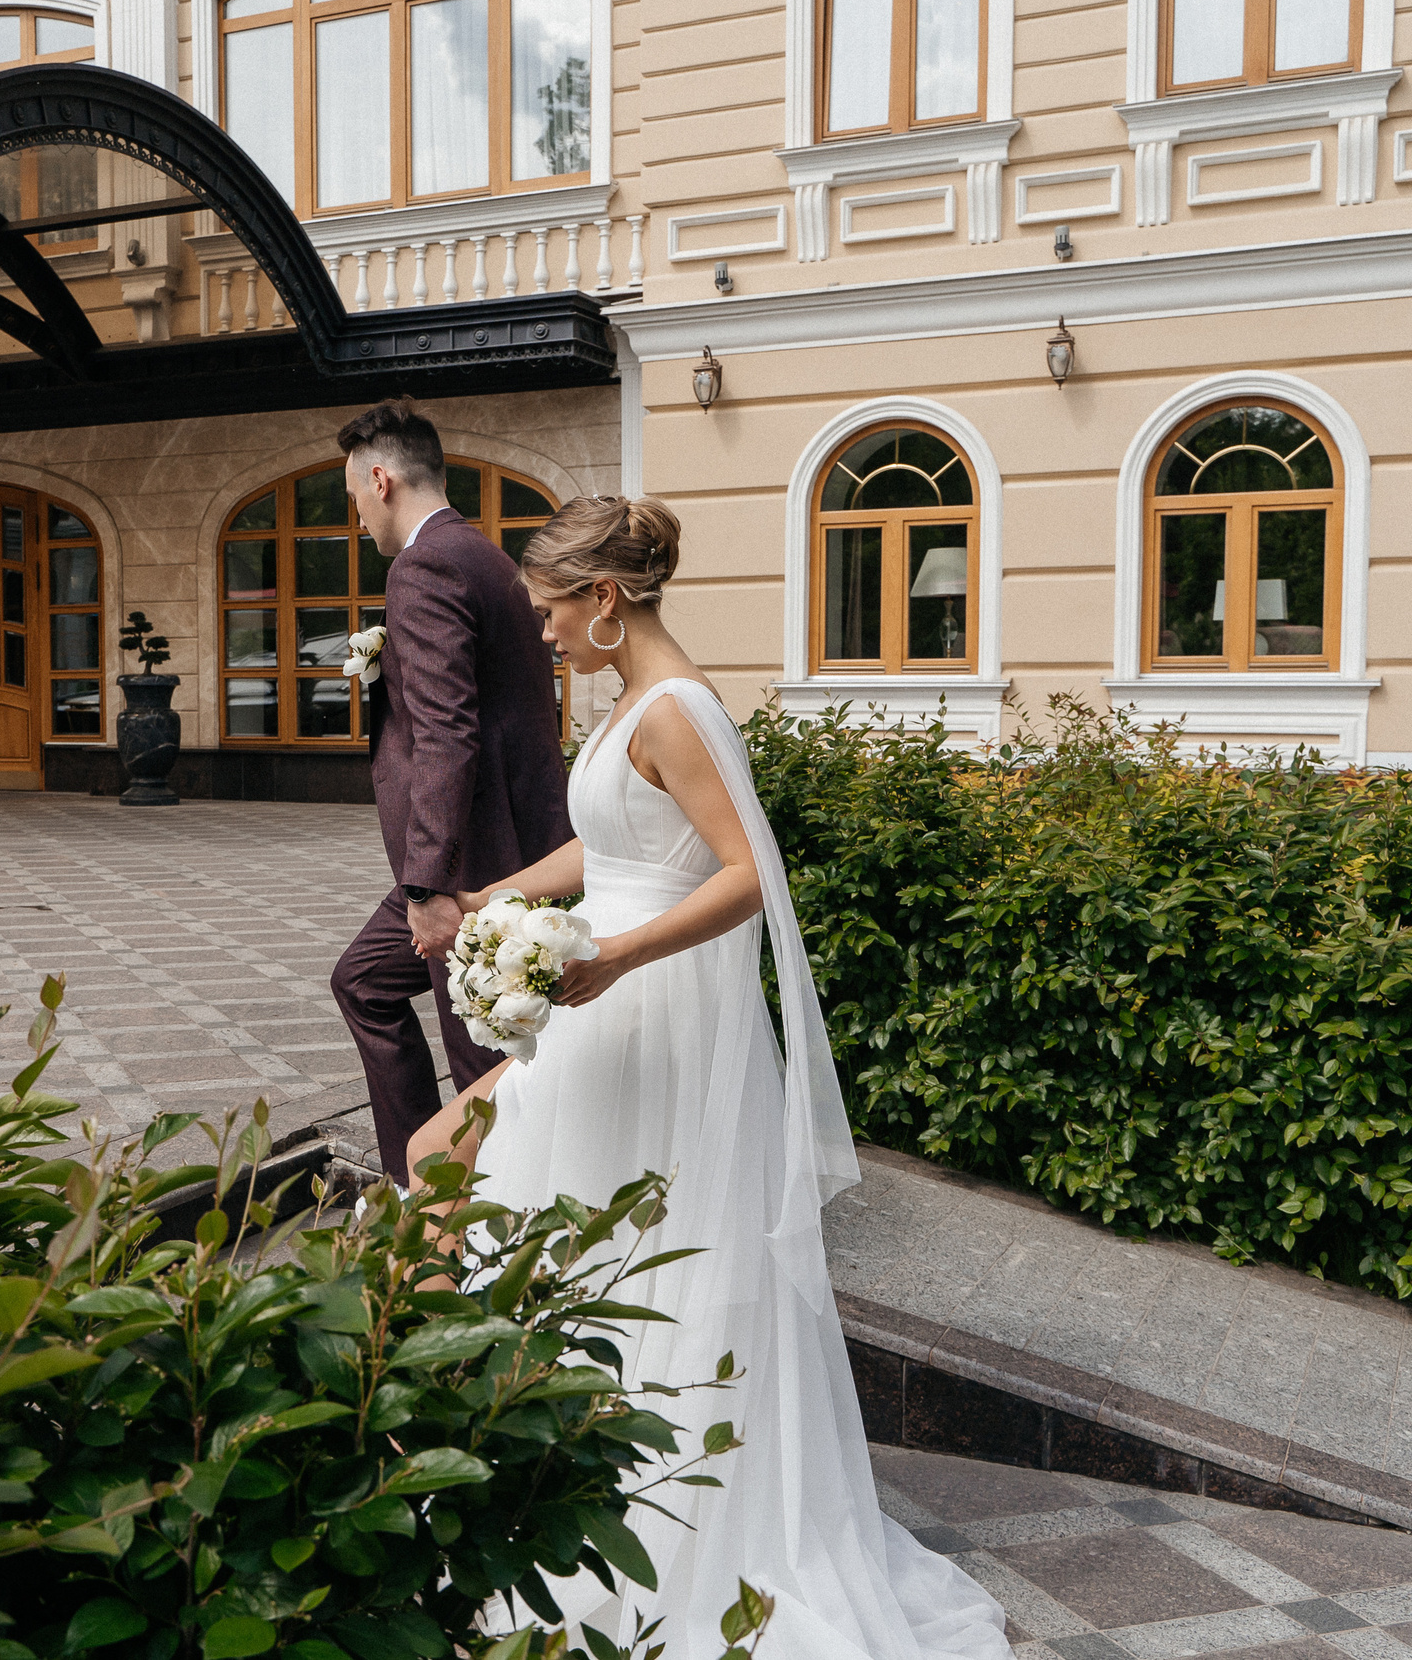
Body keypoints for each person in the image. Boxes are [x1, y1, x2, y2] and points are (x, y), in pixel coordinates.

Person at [403, 497, 1013, 1660]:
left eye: (548, 610)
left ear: (605, 600)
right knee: (501, 1191)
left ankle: (580, 1496)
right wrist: (500, 900)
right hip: (604, 993)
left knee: (481, 1178)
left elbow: (744, 876)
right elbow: (613, 845)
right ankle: (509, 1469)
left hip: (637, 1000)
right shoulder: (637, 703)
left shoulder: (676, 709)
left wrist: (611, 955)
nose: (536, 631)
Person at [328, 400, 572, 1184]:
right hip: (516, 837)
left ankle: (478, 1227)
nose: (358, 516)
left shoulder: (423, 566)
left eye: (354, 497)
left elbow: (446, 734)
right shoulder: (487, 556)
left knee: (485, 1056)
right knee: (365, 980)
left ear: (380, 477)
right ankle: (417, 1183)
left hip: (471, 862)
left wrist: (430, 884)